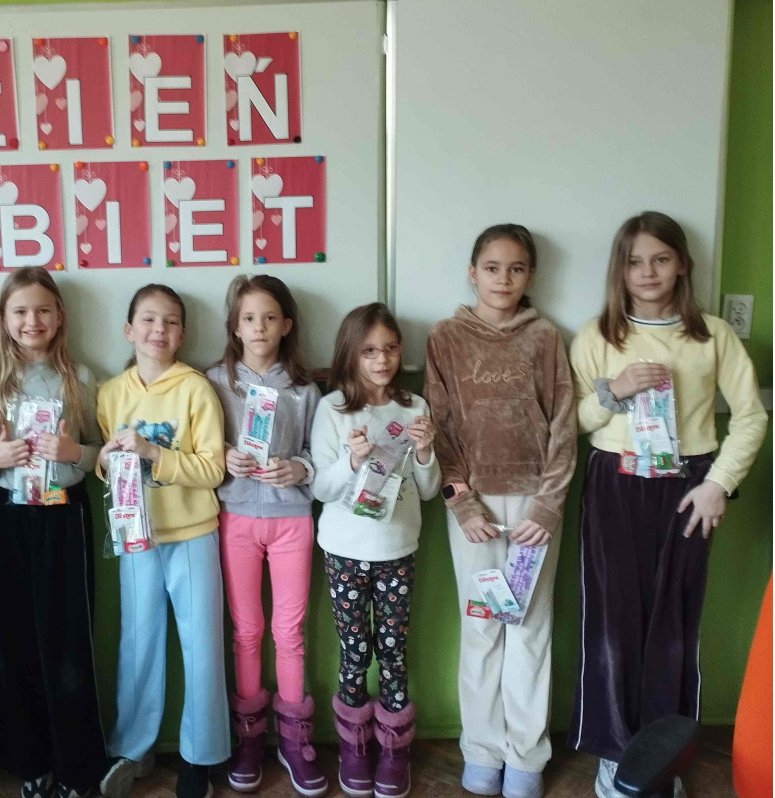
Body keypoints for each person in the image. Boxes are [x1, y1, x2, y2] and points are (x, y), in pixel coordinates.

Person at [565, 212, 767, 798]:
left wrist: (719, 483)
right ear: (619, 270)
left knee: (674, 624)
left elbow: (751, 416)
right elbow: (571, 421)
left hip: (689, 488)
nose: (647, 272)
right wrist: (615, 391)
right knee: (613, 623)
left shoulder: (713, 336)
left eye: (660, 259)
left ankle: (661, 756)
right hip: (615, 483)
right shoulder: (598, 336)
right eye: (634, 261)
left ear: (682, 264)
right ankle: (616, 755)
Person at [424, 223, 576, 798]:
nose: (503, 279)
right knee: (483, 625)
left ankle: (526, 758)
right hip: (476, 511)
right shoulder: (445, 337)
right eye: (491, 268)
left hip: (534, 507)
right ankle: (483, 751)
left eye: (516, 269)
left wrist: (548, 506)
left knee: (530, 630)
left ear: (530, 275)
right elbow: (439, 426)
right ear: (473, 272)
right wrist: (462, 505)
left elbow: (563, 428)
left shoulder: (546, 337)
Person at [0, 267, 107, 798]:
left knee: (69, 645)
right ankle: (31, 762)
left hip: (64, 516)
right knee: (18, 641)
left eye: (43, 310)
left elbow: (100, 454)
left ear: (60, 316)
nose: (33, 320)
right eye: (21, 311)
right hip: (11, 518)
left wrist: (77, 453)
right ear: (4, 319)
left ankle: (76, 767)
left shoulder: (82, 378)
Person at [96, 285, 229, 798]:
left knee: (202, 647)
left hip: (192, 534)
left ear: (183, 333)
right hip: (135, 537)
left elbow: (212, 469)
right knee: (138, 643)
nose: (159, 330)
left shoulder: (196, 389)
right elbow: (105, 467)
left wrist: (153, 451)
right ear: (128, 330)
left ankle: (201, 756)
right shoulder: (110, 393)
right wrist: (106, 462)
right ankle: (132, 747)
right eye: (149, 320)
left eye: (171, 321)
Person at [311, 303, 439, 798]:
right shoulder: (332, 408)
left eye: (390, 348)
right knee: (353, 652)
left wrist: (425, 452)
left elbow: (428, 489)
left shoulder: (415, 406)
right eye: (368, 350)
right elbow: (322, 488)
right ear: (351, 353)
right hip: (344, 549)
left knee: (392, 654)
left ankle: (394, 748)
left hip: (397, 549)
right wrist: (351, 458)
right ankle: (353, 745)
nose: (381, 360)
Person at [206, 274, 325, 797]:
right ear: (235, 326)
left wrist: (299, 469)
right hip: (235, 518)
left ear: (287, 325)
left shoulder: (304, 389)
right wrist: (224, 457)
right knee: (246, 631)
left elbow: (319, 455)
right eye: (249, 318)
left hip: (292, 520)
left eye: (270, 318)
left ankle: (295, 741)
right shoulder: (214, 381)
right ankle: (249, 737)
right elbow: (199, 446)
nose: (259, 327)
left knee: (289, 633)